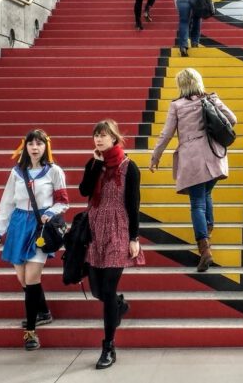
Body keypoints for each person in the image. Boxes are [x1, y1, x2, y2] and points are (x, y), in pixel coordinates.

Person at [149, 68, 237, 272]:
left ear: (181, 85)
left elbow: (166, 134)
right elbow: (232, 119)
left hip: (192, 158)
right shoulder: (211, 99)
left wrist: (155, 157)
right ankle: (208, 233)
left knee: (197, 203)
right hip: (214, 155)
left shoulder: (177, 106)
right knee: (206, 194)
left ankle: (204, 249)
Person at [0, 129, 70, 350]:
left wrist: (51, 212)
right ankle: (43, 311)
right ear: (25, 147)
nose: (35, 147)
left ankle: (31, 332)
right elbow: (7, 202)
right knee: (24, 280)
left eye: (39, 143)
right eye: (31, 143)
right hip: (17, 226)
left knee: (32, 277)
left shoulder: (55, 171)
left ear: (46, 147)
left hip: (40, 228)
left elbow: (63, 201)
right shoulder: (16, 172)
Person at [79, 119, 143, 369]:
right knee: (98, 291)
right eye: (96, 135)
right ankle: (119, 305)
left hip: (119, 228)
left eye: (104, 135)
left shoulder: (129, 167)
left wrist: (134, 238)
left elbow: (133, 205)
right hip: (95, 229)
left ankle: (108, 347)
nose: (99, 139)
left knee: (107, 289)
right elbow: (84, 191)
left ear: (115, 138)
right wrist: (95, 164)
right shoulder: (94, 164)